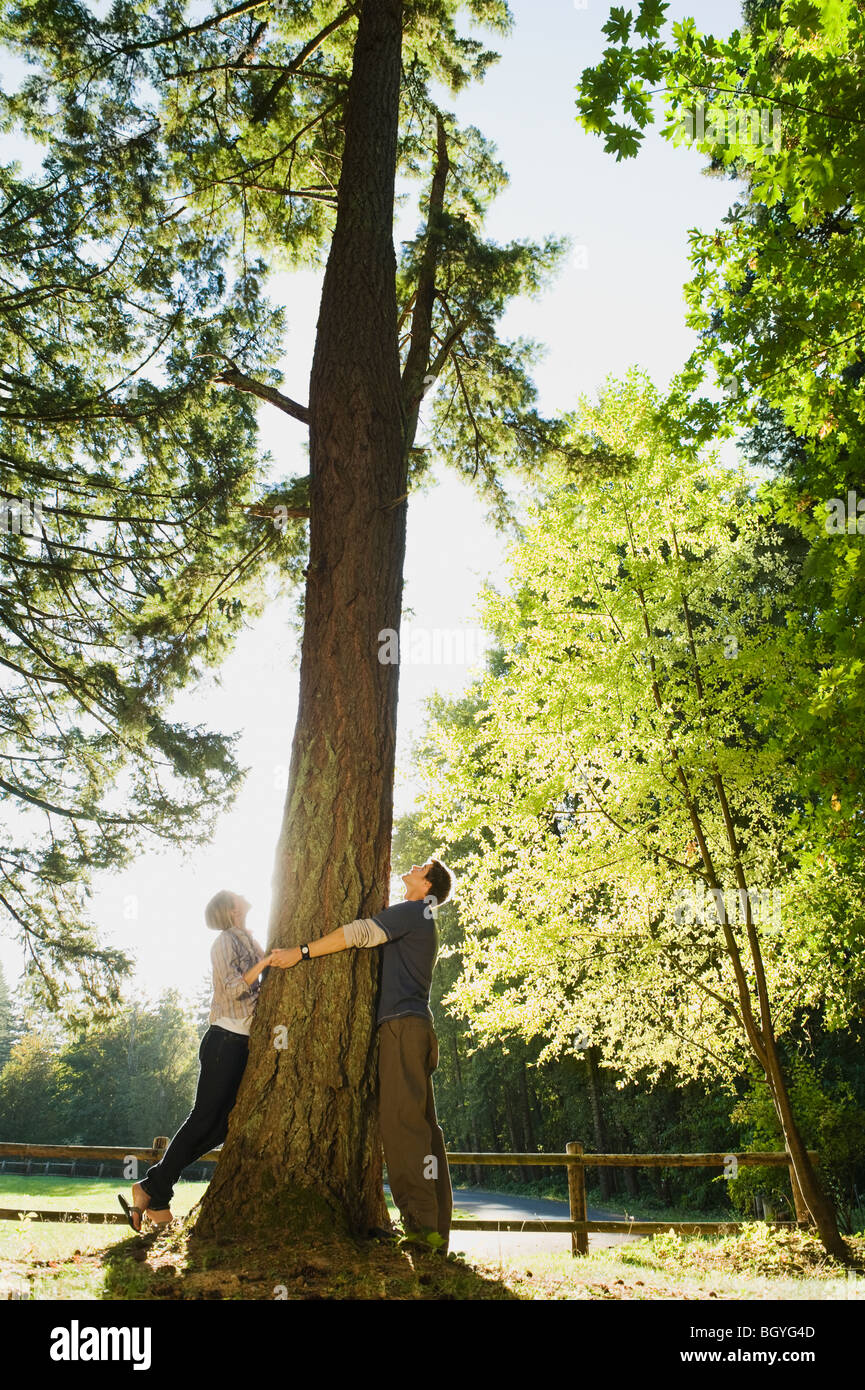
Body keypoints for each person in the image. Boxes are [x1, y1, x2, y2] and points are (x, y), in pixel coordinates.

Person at [273, 858, 454, 1253]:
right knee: (423, 1129)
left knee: (402, 1127)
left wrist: (300, 952)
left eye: (422, 866)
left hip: (403, 1030)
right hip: (416, 1029)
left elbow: (356, 934)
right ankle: (436, 1231)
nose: (414, 865)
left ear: (428, 885)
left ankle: (424, 1233)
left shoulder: (414, 911)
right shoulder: (419, 916)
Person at [118, 889, 275, 1231]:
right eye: (239, 898)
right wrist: (265, 962)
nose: (247, 900)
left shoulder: (246, 938)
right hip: (224, 1040)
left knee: (221, 1126)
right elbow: (234, 987)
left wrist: (264, 958)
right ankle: (153, 1191)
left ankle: (154, 1191)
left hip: (241, 1044)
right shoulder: (223, 943)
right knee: (204, 1118)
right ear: (231, 909)